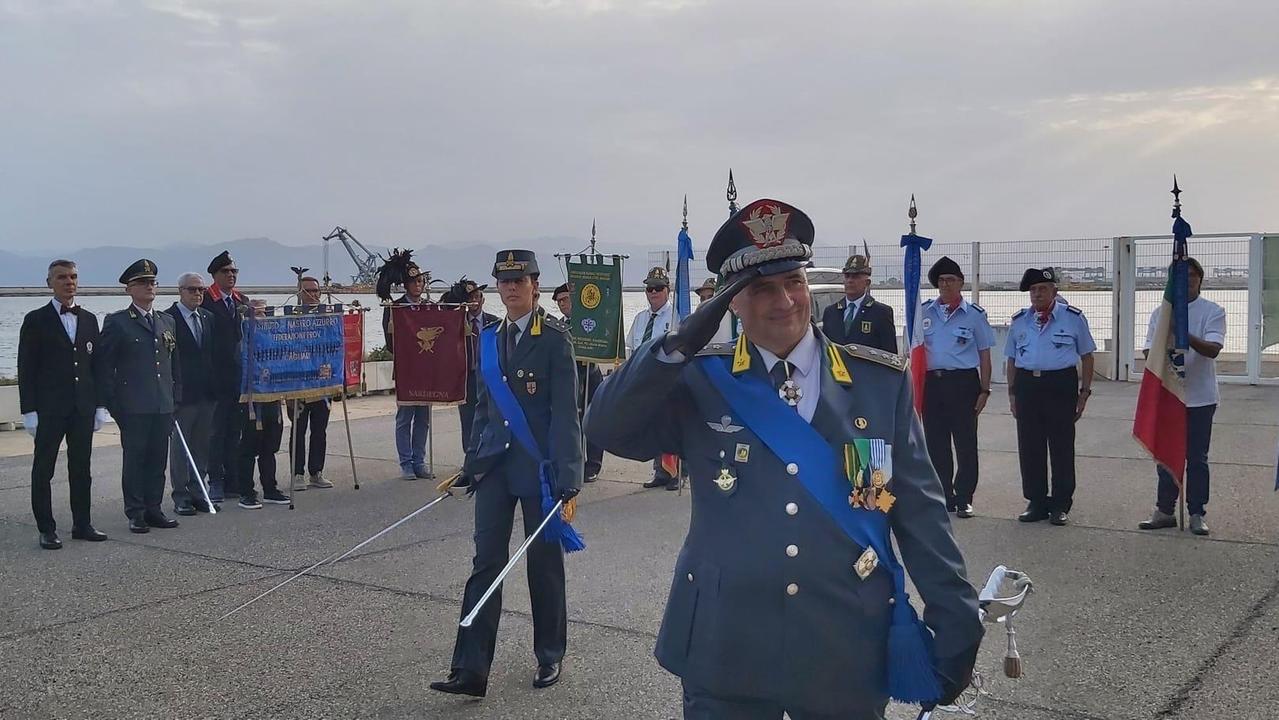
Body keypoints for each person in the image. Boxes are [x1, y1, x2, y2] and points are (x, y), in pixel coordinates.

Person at [585, 198, 981, 720]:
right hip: (728, 640)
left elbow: (917, 511)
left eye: (793, 281)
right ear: (731, 302)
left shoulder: (877, 383)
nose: (785, 301)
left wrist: (955, 614)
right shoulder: (700, 380)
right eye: (761, 288)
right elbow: (608, 428)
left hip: (846, 637)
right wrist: (673, 347)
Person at [430, 249, 583, 698]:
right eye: (504, 281)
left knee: (543, 566)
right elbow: (482, 408)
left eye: (520, 280)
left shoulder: (554, 338)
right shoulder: (492, 337)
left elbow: (565, 413)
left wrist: (569, 473)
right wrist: (472, 464)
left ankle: (550, 655)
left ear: (535, 284)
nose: (512, 288)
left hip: (540, 470)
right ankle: (470, 669)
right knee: (486, 565)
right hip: (496, 469)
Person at [18, 259, 109, 549]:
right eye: (61, 277)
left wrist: (99, 405)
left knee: (81, 468)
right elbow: (27, 368)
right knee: (43, 469)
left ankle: (82, 523)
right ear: (49, 283)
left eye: (72, 277)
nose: (68, 282)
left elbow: (97, 367)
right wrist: (29, 411)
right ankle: (47, 528)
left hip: (82, 407)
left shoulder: (89, 319)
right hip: (49, 409)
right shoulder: (35, 319)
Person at [1137, 258, 1225, 536]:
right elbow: (1149, 352)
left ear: (1200, 279)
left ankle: (1197, 512)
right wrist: (1166, 337)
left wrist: (1182, 332)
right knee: (1166, 455)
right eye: (1180, 276)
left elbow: (1212, 349)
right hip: (1170, 395)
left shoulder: (1213, 311)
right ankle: (1165, 510)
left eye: (1191, 276)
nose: (1186, 281)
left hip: (1200, 398)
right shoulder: (1160, 314)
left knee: (1197, 458)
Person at [95, 259, 182, 534]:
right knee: (135, 460)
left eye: (152, 282)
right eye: (142, 283)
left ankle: (153, 508)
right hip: (133, 406)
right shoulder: (118, 322)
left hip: (162, 404)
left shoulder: (167, 321)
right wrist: (114, 405)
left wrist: (174, 399)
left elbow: (173, 364)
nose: (149, 287)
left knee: (157, 460)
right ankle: (136, 512)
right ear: (128, 290)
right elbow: (104, 367)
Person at [1005, 267, 1096, 527]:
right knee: (1030, 446)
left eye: (1043, 289)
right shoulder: (1020, 320)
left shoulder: (1073, 318)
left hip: (1060, 384)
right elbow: (1011, 359)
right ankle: (1036, 501)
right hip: (1027, 385)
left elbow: (1087, 357)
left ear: (1054, 291)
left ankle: (1060, 504)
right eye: (1033, 290)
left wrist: (1084, 392)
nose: (1037, 294)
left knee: (1061, 446)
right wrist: (1012, 393)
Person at [919, 257, 994, 518]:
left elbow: (984, 354)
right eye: (941, 281)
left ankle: (964, 497)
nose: (946, 285)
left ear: (961, 283)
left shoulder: (974, 315)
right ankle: (943, 495)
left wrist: (985, 390)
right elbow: (914, 351)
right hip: (933, 384)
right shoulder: (924, 312)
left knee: (965, 443)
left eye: (951, 280)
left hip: (963, 383)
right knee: (936, 443)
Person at [166, 272, 217, 515]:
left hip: (207, 393)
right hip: (182, 395)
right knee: (180, 448)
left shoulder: (208, 318)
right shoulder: (168, 318)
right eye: (192, 290)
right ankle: (181, 496)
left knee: (201, 446)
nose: (198, 294)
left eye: (201, 290)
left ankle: (200, 492)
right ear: (180, 291)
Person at [202, 251, 250, 503]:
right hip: (215, 379)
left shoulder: (243, 300)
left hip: (239, 379)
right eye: (226, 272)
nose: (231, 276)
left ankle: (234, 480)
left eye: (234, 272)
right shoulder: (205, 301)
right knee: (216, 433)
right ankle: (216, 480)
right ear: (215, 275)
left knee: (236, 432)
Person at [380, 254, 434, 480]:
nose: (418, 285)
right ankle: (406, 462)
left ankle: (419, 461)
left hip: (427, 368)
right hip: (406, 368)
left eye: (420, 282)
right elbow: (389, 341)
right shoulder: (395, 308)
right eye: (414, 282)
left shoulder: (431, 307)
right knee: (405, 417)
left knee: (424, 418)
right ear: (405, 284)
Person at [627, 266, 678, 489]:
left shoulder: (677, 316)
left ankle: (676, 473)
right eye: (649, 289)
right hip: (644, 379)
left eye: (658, 288)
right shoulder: (640, 319)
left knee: (672, 426)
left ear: (668, 290)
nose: (653, 293)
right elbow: (631, 347)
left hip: (669, 380)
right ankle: (660, 472)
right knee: (654, 426)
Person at [553, 282, 604, 482]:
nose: (562, 304)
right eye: (559, 301)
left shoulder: (588, 322)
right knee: (570, 421)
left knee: (592, 420)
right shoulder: (558, 326)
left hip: (589, 373)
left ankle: (593, 464)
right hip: (568, 376)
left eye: (565, 299)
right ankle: (573, 462)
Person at [288, 276, 335, 492]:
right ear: (299, 293)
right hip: (298, 382)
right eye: (308, 291)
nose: (313, 295)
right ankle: (297, 473)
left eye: (316, 291)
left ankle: (316, 471)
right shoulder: (291, 319)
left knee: (320, 430)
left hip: (322, 381)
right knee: (298, 429)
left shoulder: (328, 318)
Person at [444, 277, 499, 458]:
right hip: (466, 377)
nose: (474, 301)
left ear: (483, 299)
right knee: (468, 419)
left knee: (491, 416)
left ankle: (488, 454)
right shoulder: (457, 323)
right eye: (470, 298)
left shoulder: (495, 322)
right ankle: (470, 457)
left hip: (489, 377)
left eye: (477, 296)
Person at [820, 247, 898, 352]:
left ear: (867, 283)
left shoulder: (881, 313)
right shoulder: (831, 312)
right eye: (847, 276)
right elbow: (825, 351)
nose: (850, 281)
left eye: (855, 276)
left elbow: (890, 354)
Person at [696, 276, 733, 345]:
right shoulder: (696, 320)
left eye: (710, 297)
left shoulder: (731, 316)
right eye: (702, 298)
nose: (706, 301)